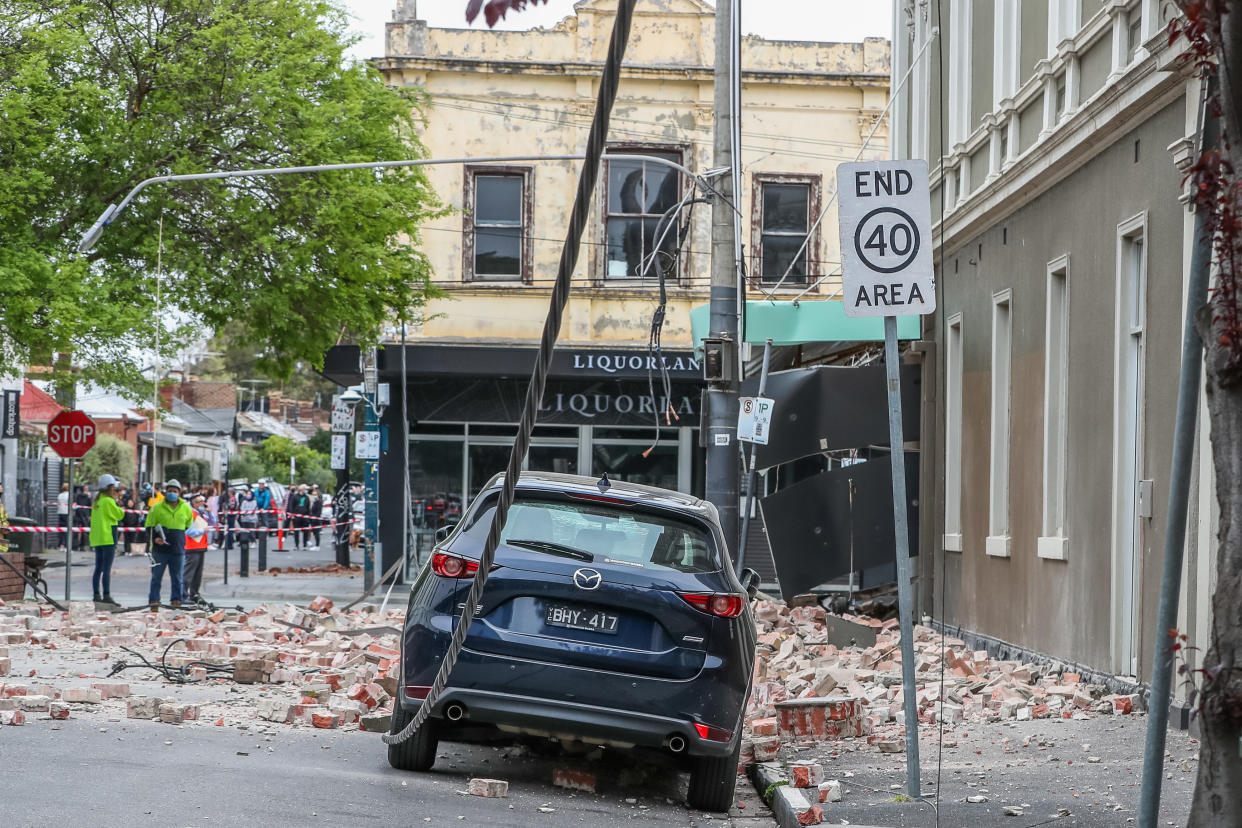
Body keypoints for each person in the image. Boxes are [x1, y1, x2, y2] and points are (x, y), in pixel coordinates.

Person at [144, 479, 192, 610]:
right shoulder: (156, 508)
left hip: (178, 549)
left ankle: (176, 602)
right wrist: (155, 539)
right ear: (166, 492)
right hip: (160, 551)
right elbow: (148, 527)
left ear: (179, 493)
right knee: (156, 577)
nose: (172, 493)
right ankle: (154, 602)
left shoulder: (186, 508)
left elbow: (188, 524)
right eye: (170, 491)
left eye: (174, 491)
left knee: (177, 578)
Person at [89, 474, 125, 605]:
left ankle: (96, 594)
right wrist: (119, 505)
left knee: (98, 568)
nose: (115, 490)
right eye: (113, 488)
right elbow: (119, 515)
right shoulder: (108, 501)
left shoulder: (96, 501)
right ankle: (107, 595)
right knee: (107, 569)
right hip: (108, 537)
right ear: (109, 488)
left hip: (97, 538)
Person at [182, 493, 214, 604]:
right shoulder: (191, 513)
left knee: (197, 574)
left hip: (201, 546)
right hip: (192, 546)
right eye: (200, 501)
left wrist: (209, 512)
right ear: (194, 503)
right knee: (189, 573)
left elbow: (213, 522)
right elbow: (189, 531)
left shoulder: (201, 513)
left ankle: (194, 594)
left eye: (203, 501)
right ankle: (183, 595)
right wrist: (202, 531)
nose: (203, 503)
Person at [237, 486, 259, 576]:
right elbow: (242, 508)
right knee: (245, 530)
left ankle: (253, 541)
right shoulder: (244, 501)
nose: (248, 495)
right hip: (245, 518)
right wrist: (244, 513)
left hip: (251, 518)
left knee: (251, 530)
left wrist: (248, 513)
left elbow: (253, 509)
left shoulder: (254, 501)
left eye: (250, 494)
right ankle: (246, 541)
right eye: (248, 494)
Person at [120, 488, 143, 555]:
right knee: (126, 539)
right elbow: (123, 518)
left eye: (131, 502)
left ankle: (131, 551)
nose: (130, 504)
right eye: (129, 503)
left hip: (134, 526)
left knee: (133, 539)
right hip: (126, 526)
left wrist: (137, 525)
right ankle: (126, 550)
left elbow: (137, 518)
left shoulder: (135, 510)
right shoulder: (125, 510)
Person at [73, 484, 92, 550]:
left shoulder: (77, 496)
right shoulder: (88, 497)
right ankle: (82, 546)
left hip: (79, 514)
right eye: (86, 488)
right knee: (84, 530)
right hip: (85, 514)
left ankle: (75, 546)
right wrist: (90, 515)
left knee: (76, 530)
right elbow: (90, 506)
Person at [56, 482, 70, 551]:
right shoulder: (69, 495)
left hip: (60, 513)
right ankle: (66, 547)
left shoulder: (59, 495)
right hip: (67, 513)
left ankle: (61, 546)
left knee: (61, 530)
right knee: (68, 530)